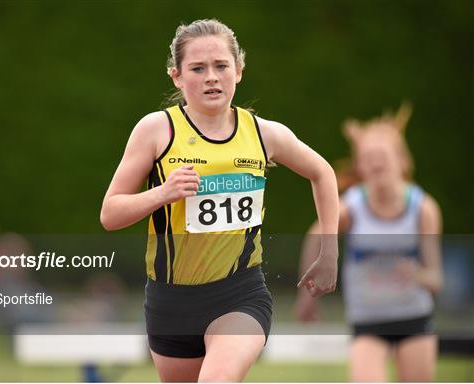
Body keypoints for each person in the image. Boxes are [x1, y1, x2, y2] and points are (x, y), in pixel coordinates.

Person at [101, 19, 339, 382]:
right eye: (198, 68)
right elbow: (110, 213)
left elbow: (322, 173)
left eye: (221, 66)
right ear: (177, 76)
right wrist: (163, 193)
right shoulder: (156, 131)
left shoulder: (263, 134)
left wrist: (329, 252)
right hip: (170, 302)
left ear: (238, 71)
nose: (211, 76)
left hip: (239, 294)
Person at [295, 103, 443, 382]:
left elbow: (436, 279)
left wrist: (417, 275)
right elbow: (316, 236)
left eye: (382, 157)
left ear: (402, 161)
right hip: (367, 321)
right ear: (360, 166)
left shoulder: (423, 209)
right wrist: (307, 296)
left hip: (413, 318)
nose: (376, 163)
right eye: (368, 158)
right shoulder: (351, 208)